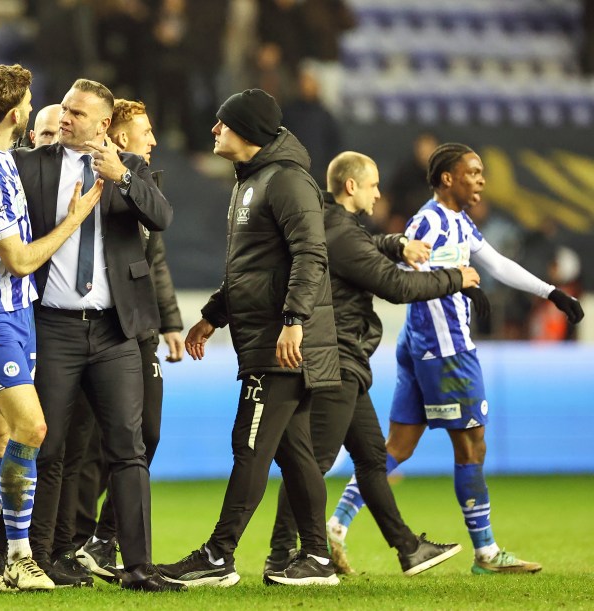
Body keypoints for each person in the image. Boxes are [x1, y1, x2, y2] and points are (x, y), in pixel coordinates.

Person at [325, 143, 584, 575]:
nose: (481, 181)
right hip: (444, 347)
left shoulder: (458, 222)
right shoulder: (429, 220)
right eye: (474, 172)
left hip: (420, 344)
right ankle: (486, 553)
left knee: (398, 447)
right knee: (472, 443)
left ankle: (336, 526)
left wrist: (551, 293)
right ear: (448, 178)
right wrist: (458, 285)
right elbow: (407, 272)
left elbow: (496, 264)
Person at [263, 151, 478, 581]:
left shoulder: (325, 222)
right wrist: (457, 277)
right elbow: (396, 284)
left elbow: (363, 248)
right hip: (335, 358)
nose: (379, 192)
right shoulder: (342, 233)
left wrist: (397, 242)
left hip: (343, 360)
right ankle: (283, 555)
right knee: (314, 461)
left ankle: (408, 548)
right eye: (373, 184)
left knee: (372, 460)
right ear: (350, 187)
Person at [157, 89, 341, 587]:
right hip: (266, 334)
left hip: (281, 341)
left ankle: (218, 556)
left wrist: (293, 320)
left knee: (250, 445)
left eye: (223, 123)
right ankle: (318, 559)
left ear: (249, 132)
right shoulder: (252, 181)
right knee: (293, 451)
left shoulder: (285, 182)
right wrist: (213, 316)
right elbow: (251, 270)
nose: (214, 130)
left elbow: (311, 255)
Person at [0, 64, 106, 593]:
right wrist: (74, 220)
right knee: (32, 430)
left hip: (14, 313)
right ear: (18, 114)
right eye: (32, 104)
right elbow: (16, 259)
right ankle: (19, 556)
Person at [73, 98, 184, 580]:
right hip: (99, 323)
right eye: (146, 130)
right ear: (118, 137)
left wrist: (172, 320)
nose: (154, 140)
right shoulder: (90, 179)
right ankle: (77, 539)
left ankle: (102, 538)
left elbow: (153, 260)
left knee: (146, 434)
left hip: (141, 324)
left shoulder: (144, 184)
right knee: (93, 441)